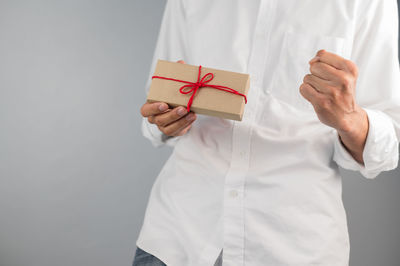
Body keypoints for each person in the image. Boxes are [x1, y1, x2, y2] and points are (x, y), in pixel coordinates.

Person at [134, 0, 400, 265]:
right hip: (178, 235)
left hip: (292, 246)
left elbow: (388, 144)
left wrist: (349, 119)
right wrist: (163, 117)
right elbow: (160, 94)